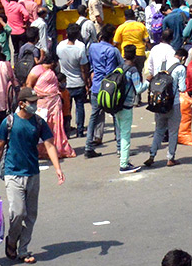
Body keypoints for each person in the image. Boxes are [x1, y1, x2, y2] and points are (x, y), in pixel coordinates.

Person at [0, 88, 65, 265]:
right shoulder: (9, 122)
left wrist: (57, 168)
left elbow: (50, 145)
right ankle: (12, 240)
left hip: (33, 174)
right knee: (17, 213)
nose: (34, 105)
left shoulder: (39, 122)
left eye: (35, 101)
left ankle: (22, 250)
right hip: (13, 173)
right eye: (31, 102)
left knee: (30, 215)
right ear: (22, 103)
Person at [144, 36, 185, 168]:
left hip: (159, 102)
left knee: (159, 130)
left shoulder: (162, 65)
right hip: (173, 103)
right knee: (173, 131)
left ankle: (152, 154)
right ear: (182, 57)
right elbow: (183, 88)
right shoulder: (180, 68)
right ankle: (170, 157)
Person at [26, 52, 75, 160]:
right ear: (52, 62)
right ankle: (42, 150)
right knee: (44, 125)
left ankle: (57, 148)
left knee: (56, 125)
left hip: (54, 102)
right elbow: (29, 84)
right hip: (42, 103)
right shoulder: (37, 70)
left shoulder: (51, 71)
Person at [84, 25, 123, 158]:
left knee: (93, 117)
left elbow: (91, 65)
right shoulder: (113, 51)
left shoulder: (93, 47)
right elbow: (115, 69)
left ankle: (88, 146)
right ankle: (119, 147)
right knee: (116, 117)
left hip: (96, 87)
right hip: (109, 88)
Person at [114, 44, 147, 174]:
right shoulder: (133, 70)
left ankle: (124, 159)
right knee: (125, 136)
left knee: (121, 132)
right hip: (126, 106)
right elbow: (138, 88)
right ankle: (124, 164)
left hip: (116, 105)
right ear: (134, 56)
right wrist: (148, 82)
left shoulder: (119, 67)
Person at [56, 25, 90, 138]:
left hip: (65, 83)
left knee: (66, 109)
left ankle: (66, 131)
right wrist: (86, 82)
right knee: (80, 107)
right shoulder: (80, 47)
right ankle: (80, 130)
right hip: (78, 82)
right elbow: (83, 68)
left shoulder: (60, 46)